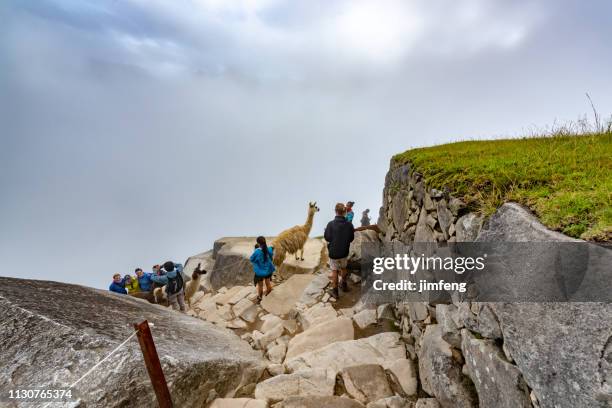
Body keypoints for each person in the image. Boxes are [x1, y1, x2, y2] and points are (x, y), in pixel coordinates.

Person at [324, 203, 355, 299]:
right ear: (344, 211)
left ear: (335, 211)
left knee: (334, 270)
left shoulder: (330, 224)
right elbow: (351, 238)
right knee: (344, 267)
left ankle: (335, 292)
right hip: (344, 252)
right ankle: (344, 285)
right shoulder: (349, 224)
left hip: (334, 253)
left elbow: (327, 238)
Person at [250, 236, 275, 303]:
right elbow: (271, 250)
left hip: (259, 272)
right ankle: (268, 294)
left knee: (260, 286)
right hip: (268, 270)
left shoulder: (257, 251)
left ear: (258, 243)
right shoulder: (268, 249)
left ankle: (260, 298)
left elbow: (251, 259)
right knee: (268, 283)